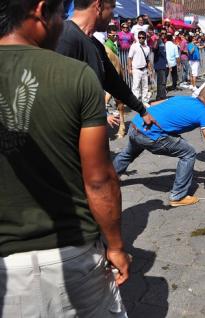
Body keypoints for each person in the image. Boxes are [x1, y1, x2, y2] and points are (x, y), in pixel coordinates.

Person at [0, 0, 130, 316]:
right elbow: (99, 179)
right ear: (41, 11)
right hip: (71, 254)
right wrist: (115, 245)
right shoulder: (76, 76)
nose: (63, 22)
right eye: (60, 13)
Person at [113, 86, 205, 206]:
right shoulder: (204, 113)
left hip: (136, 125)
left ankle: (108, 180)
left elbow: (154, 103)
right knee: (189, 153)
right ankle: (178, 196)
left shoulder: (183, 98)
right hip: (151, 136)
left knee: (128, 153)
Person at [56, 0, 158, 129]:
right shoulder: (64, 37)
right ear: (98, 6)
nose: (112, 15)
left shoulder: (96, 45)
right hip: (70, 135)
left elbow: (115, 83)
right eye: (112, 8)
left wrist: (142, 111)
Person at [128, 31, 152, 105]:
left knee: (145, 86)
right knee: (136, 86)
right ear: (138, 37)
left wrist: (149, 69)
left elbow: (147, 59)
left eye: (143, 37)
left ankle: (144, 101)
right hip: (136, 69)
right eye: (139, 37)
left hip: (144, 69)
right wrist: (129, 68)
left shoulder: (147, 48)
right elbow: (130, 58)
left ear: (145, 38)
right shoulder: (134, 46)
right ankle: (136, 102)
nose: (141, 39)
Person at [154, 31, 168, 101]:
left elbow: (164, 54)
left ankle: (160, 96)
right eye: (162, 33)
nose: (163, 35)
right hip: (159, 65)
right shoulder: (158, 41)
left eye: (164, 33)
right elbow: (154, 48)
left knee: (162, 81)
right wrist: (156, 39)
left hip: (163, 64)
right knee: (161, 81)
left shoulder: (163, 42)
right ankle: (161, 97)